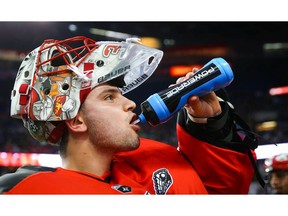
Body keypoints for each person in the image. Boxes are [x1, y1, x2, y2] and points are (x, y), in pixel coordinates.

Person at [0, 36, 259, 194]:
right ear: (76, 120)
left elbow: (225, 194)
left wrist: (209, 124)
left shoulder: (157, 158)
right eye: (109, 97)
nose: (131, 104)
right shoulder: (37, 196)